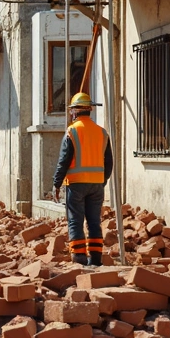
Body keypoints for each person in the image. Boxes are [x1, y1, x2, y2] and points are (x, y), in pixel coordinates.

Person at [51, 92, 114, 267]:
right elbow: (109, 162)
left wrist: (56, 184)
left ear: (74, 112)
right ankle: (95, 259)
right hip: (96, 185)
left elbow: (63, 161)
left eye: (71, 110)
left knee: (75, 221)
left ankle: (79, 260)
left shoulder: (72, 131)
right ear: (90, 110)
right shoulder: (102, 133)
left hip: (76, 184)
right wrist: (102, 181)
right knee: (94, 222)